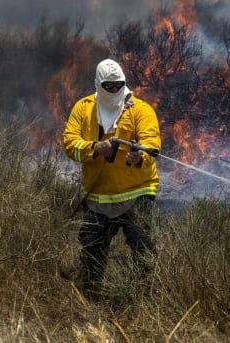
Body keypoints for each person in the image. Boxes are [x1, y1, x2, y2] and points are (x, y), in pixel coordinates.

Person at [63, 58, 161, 298]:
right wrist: (95, 148)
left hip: (136, 193)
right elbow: (70, 144)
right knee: (92, 250)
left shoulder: (140, 109)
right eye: (109, 86)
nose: (115, 90)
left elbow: (151, 142)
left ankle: (144, 301)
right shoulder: (83, 108)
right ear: (99, 84)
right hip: (98, 196)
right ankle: (91, 300)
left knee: (143, 250)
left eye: (119, 85)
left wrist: (141, 156)